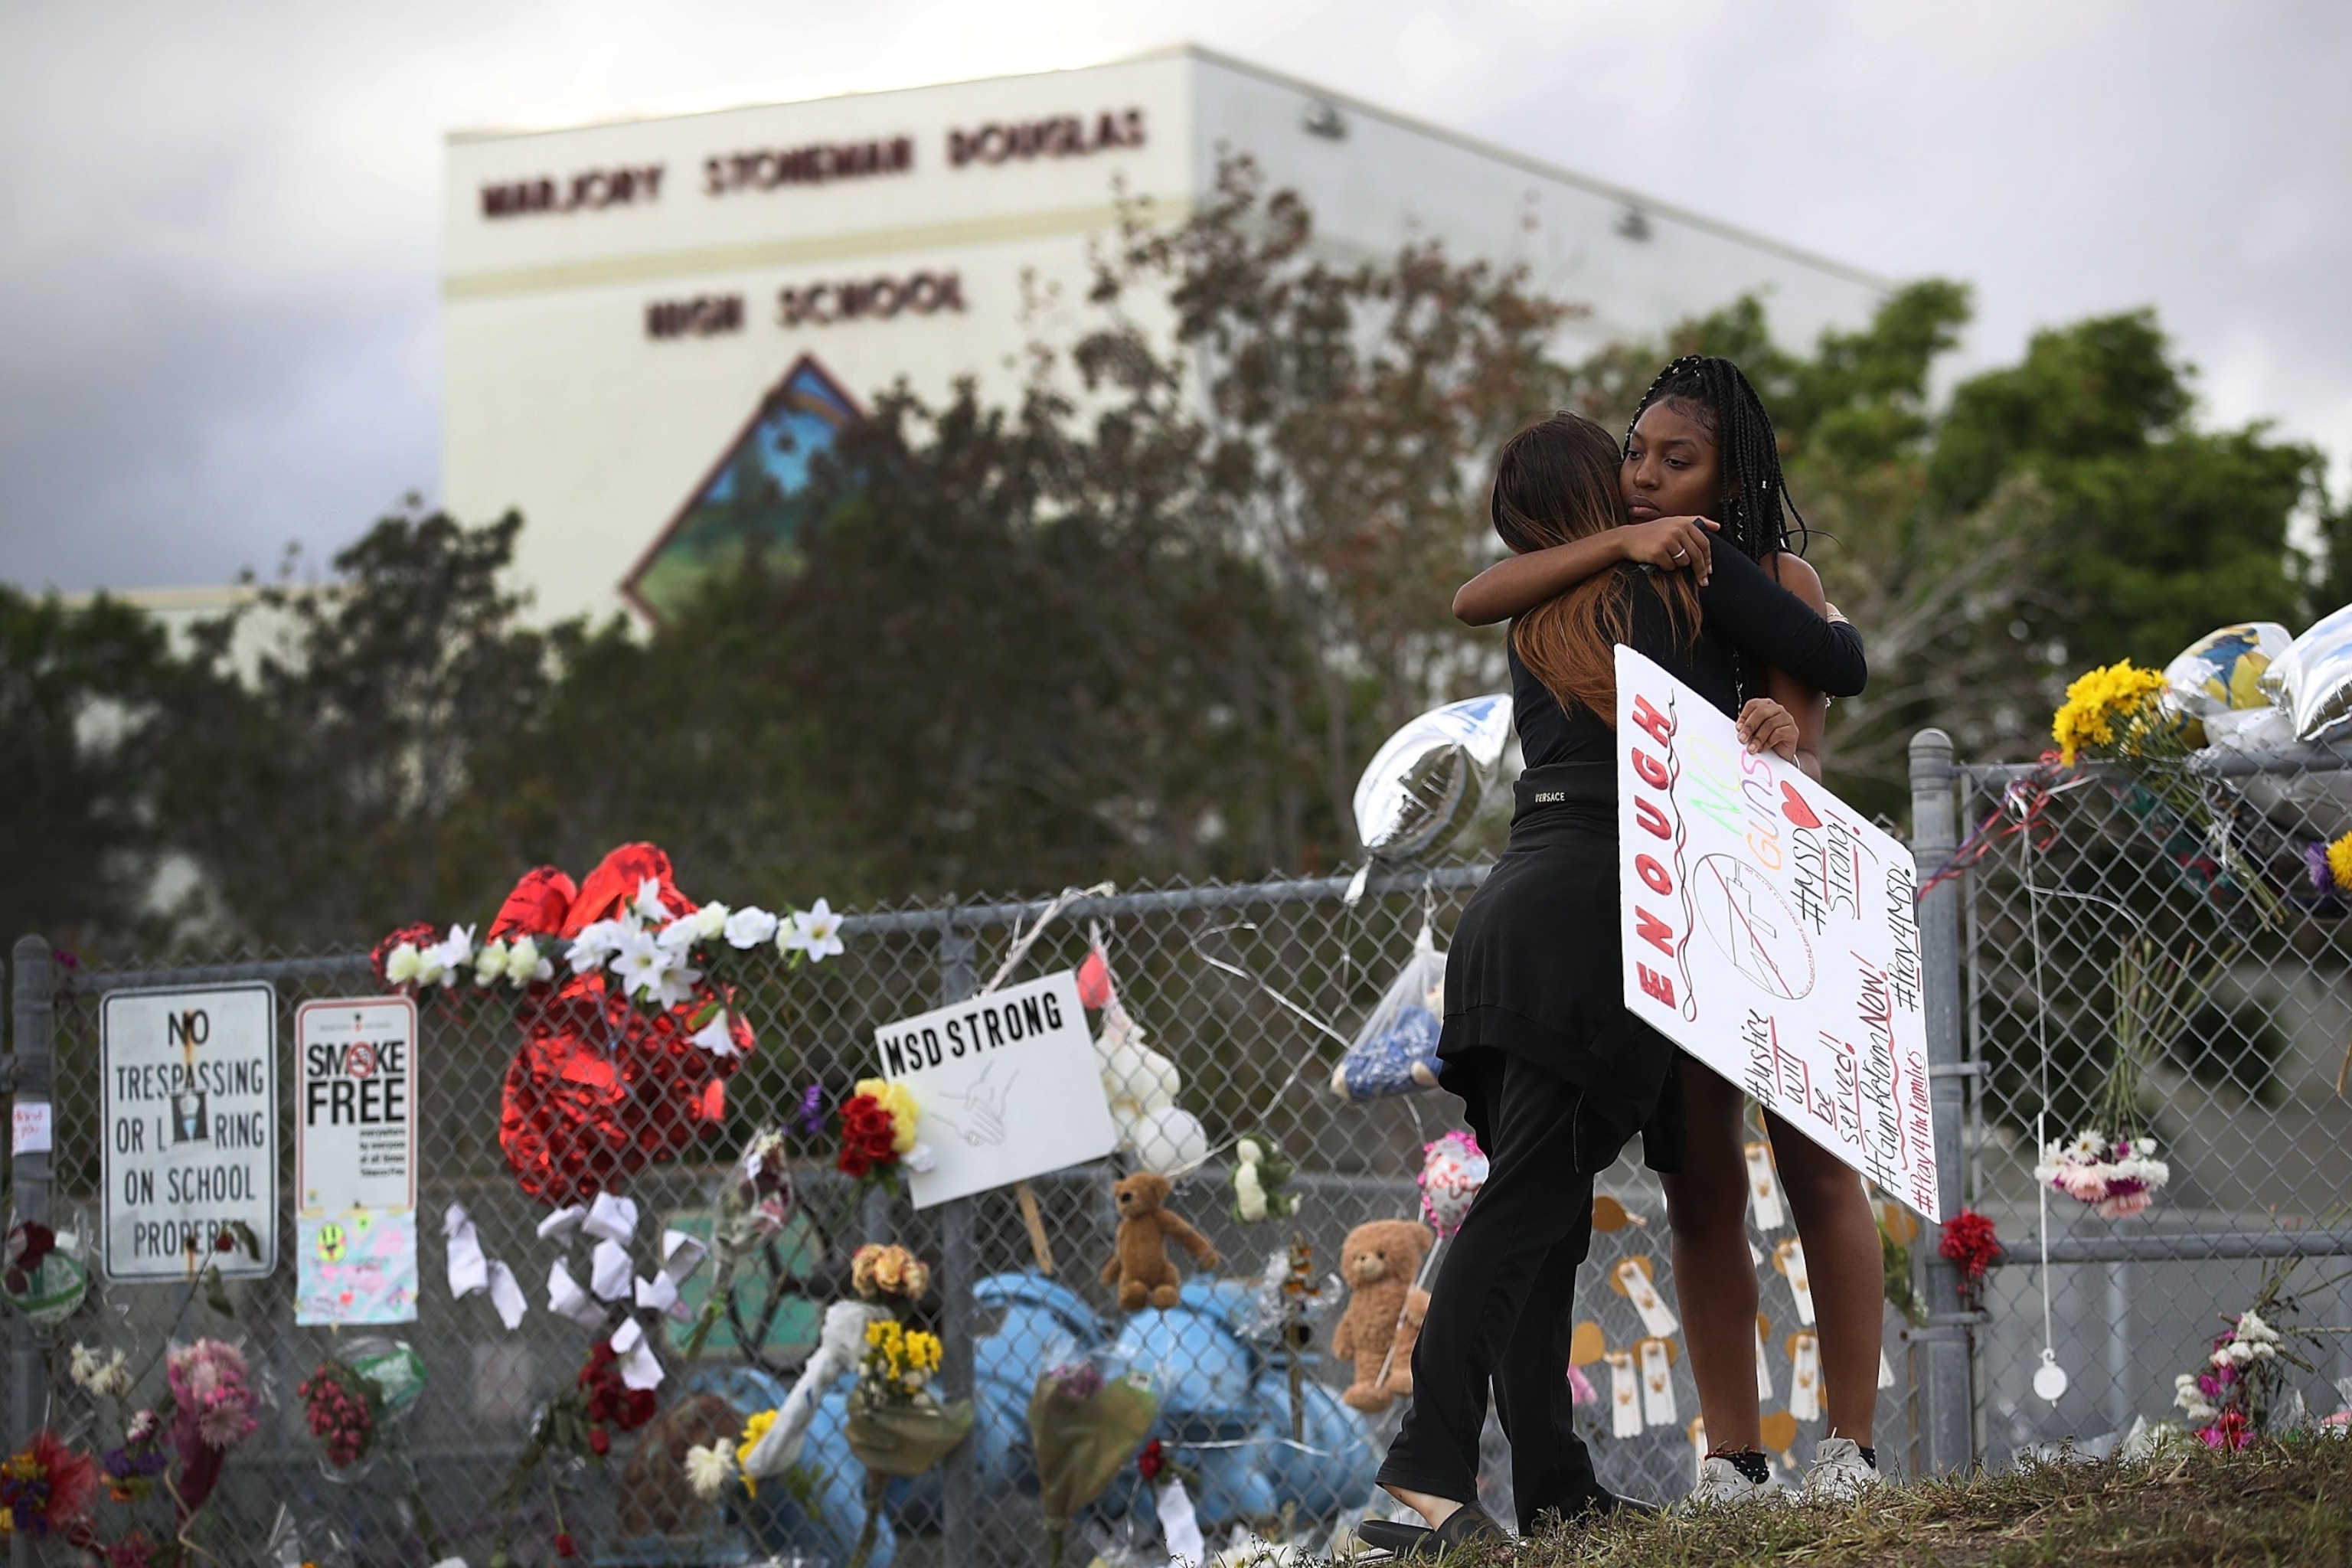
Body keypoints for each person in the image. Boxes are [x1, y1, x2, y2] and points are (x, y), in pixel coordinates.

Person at [1361, 409, 1866, 1558]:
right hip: (1596, 919)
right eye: (1627, 471)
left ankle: (1554, 1485)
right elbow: (1835, 662)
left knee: (1543, 1217)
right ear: (1604, 502)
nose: (1646, 487)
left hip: (1506, 924)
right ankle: (1423, 1480)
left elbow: (1479, 594)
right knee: (1532, 1204)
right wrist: (1776, 690)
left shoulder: (1543, 612)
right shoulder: (1669, 592)